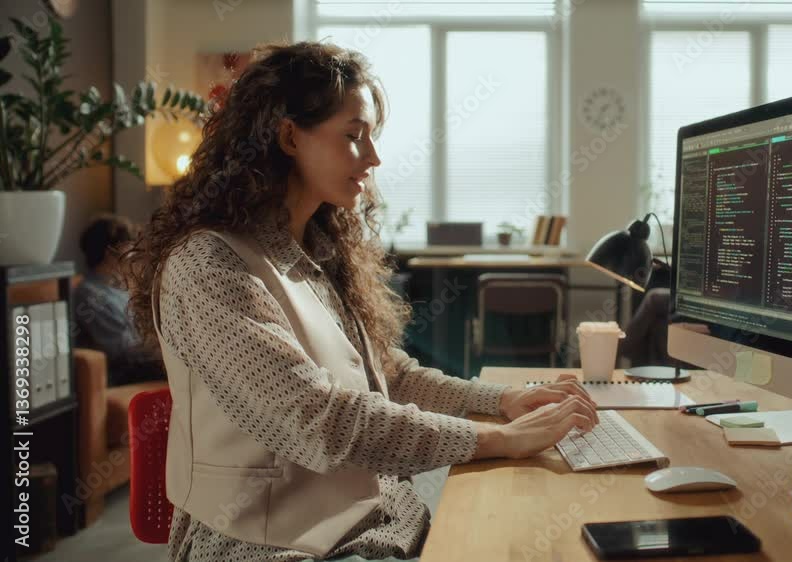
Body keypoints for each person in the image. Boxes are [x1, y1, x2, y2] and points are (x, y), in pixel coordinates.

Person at [121, 42, 599, 562]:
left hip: (378, 522)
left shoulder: (317, 252)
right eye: (353, 137)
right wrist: (495, 440)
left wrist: (501, 403)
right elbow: (320, 422)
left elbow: (387, 378)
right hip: (268, 545)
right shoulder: (208, 267)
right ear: (288, 137)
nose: (373, 157)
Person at [73, 214, 165, 387]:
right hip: (122, 373)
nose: (133, 253)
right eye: (129, 246)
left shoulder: (118, 290)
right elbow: (123, 352)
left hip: (141, 361)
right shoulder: (88, 294)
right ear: (110, 252)